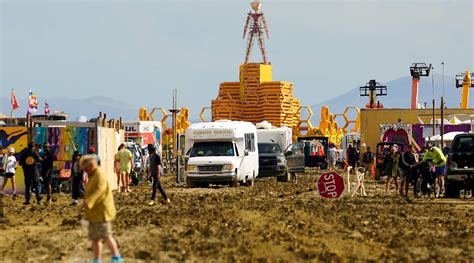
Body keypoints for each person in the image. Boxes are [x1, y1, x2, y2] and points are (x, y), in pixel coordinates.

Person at [80, 155, 123, 263]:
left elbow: (100, 191)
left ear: (91, 165)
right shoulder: (93, 176)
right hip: (94, 213)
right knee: (95, 238)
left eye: (86, 169)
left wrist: (89, 202)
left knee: (106, 235)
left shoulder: (99, 175)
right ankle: (97, 259)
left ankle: (116, 256)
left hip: (102, 212)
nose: (85, 172)